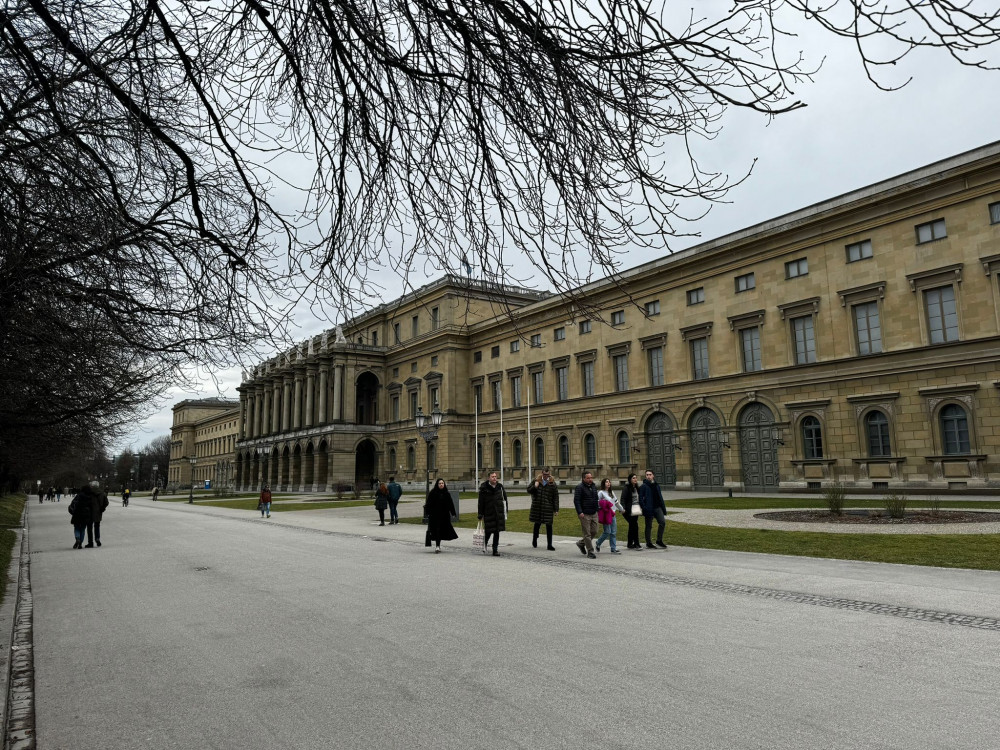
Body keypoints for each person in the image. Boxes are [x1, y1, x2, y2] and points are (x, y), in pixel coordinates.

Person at [527, 467, 559, 550]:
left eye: (547, 475)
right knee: (537, 524)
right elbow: (529, 490)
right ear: (542, 473)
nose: (546, 476)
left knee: (549, 526)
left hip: (548, 507)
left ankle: (549, 544)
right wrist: (535, 487)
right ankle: (534, 539)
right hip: (537, 507)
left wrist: (556, 509)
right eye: (544, 474)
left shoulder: (552, 483)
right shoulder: (536, 480)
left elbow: (555, 497)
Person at [477, 471, 508, 556]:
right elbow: (481, 503)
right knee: (488, 531)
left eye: (495, 477)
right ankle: (484, 544)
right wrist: (480, 514)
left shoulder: (500, 487)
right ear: (489, 478)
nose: (495, 478)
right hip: (488, 513)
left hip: (498, 513)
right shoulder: (484, 488)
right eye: (493, 477)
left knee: (497, 531)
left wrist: (505, 512)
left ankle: (495, 550)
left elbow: (505, 500)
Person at [424, 478, 458, 552]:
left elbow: (450, 504)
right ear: (437, 484)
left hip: (444, 515)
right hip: (435, 515)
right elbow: (428, 504)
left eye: (442, 483)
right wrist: (428, 513)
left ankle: (438, 544)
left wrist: (453, 513)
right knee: (437, 530)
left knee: (442, 530)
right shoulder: (433, 493)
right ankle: (437, 546)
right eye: (440, 483)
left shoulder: (446, 493)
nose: (441, 485)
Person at [573, 471, 600, 559]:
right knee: (587, 533)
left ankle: (581, 543)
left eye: (591, 478)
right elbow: (577, 501)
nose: (590, 479)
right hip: (584, 513)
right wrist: (580, 512)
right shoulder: (579, 487)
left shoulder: (593, 486)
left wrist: (597, 509)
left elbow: (596, 499)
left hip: (594, 512)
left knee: (594, 531)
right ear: (583, 479)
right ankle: (590, 552)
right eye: (588, 478)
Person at [639, 469, 667, 549]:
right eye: (647, 475)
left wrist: (663, 507)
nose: (648, 476)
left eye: (650, 474)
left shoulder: (656, 485)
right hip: (649, 508)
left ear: (653, 475)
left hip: (657, 507)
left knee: (662, 522)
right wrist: (644, 507)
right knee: (648, 526)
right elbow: (640, 498)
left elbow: (660, 497)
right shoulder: (643, 486)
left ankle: (659, 540)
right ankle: (649, 543)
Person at [595, 478, 623, 554]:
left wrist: (622, 509)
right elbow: (597, 503)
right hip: (606, 514)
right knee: (607, 531)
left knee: (613, 532)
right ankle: (598, 542)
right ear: (603, 483)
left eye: (609, 482)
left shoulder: (611, 492)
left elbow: (616, 502)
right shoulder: (601, 493)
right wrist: (603, 504)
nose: (608, 483)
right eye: (606, 482)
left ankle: (613, 548)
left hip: (612, 513)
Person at [68, 483, 97, 549]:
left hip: (77, 513)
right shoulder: (90, 497)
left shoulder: (79, 495)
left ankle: (77, 538)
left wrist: (72, 511)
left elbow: (73, 504)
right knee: (83, 529)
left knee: (77, 528)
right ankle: (80, 543)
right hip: (86, 514)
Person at [620, 473, 643, 550]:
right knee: (634, 526)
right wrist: (623, 509)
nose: (635, 479)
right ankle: (637, 544)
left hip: (636, 509)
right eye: (633, 478)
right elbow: (623, 499)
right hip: (628, 510)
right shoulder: (626, 488)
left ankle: (630, 544)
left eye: (636, 478)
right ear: (630, 479)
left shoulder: (637, 488)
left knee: (632, 526)